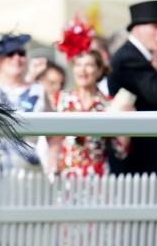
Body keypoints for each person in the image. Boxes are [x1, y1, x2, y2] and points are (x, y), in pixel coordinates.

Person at [48, 19, 131, 176]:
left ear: (99, 71)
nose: (83, 70)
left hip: (98, 178)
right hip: (67, 177)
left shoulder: (108, 104)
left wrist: (126, 121)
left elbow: (120, 151)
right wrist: (52, 162)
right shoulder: (61, 100)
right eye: (78, 65)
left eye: (89, 65)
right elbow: (54, 140)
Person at [107, 0, 157, 174]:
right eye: (156, 26)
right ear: (138, 28)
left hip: (155, 157)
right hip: (142, 160)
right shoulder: (127, 58)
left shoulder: (141, 56)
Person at [0, 33, 45, 171]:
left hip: (29, 171)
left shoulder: (39, 90)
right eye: (10, 53)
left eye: (21, 53)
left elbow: (55, 132)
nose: (17, 58)